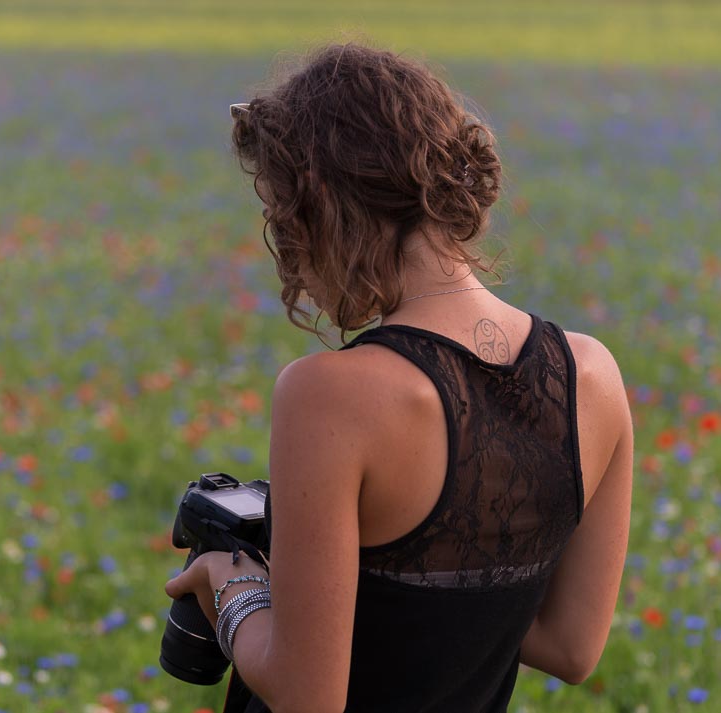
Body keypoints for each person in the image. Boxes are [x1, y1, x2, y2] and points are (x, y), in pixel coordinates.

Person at [164, 43, 632, 713]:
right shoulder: (593, 374)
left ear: (318, 201)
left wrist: (233, 584)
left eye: (279, 217)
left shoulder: (329, 393)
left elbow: (308, 698)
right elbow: (570, 645)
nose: (285, 251)